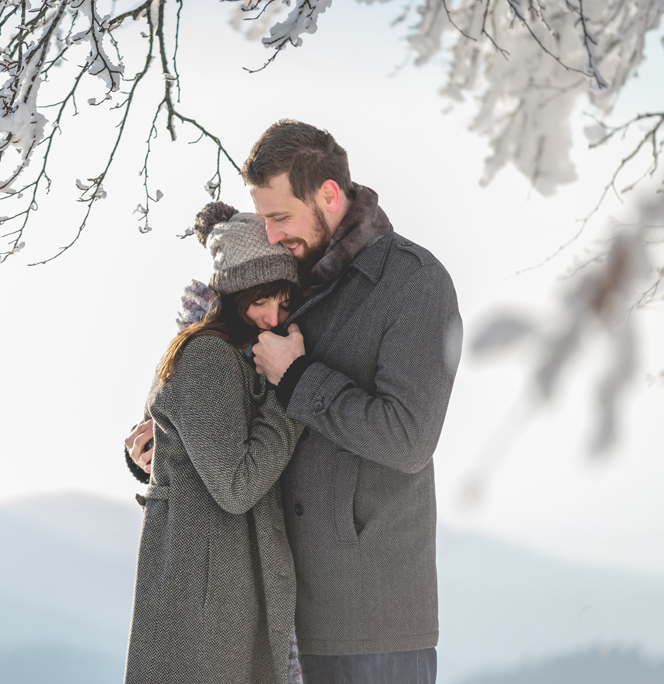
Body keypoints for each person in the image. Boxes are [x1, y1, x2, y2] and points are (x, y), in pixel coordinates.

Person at [127, 120, 462, 684]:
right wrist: (168, 448)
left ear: (328, 195)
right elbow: (215, 380)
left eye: (280, 217)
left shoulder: (414, 284)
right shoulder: (283, 278)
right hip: (267, 613)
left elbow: (408, 439)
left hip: (369, 621)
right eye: (263, 221)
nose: (273, 233)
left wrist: (300, 379)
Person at [123, 201, 305, 684]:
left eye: (284, 302)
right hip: (205, 602)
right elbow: (236, 486)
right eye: (260, 300)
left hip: (214, 585)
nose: (272, 316)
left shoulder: (231, 353)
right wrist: (293, 389)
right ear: (232, 292)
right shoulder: (210, 356)